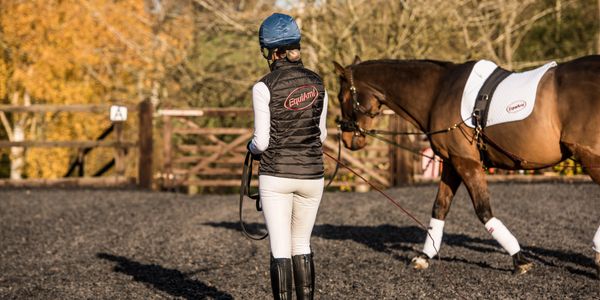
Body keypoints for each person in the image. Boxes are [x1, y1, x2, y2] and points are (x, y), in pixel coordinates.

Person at [248, 13, 328, 300]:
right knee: (302, 244)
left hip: (276, 176)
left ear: (275, 52)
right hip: (312, 176)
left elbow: (262, 142)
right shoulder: (318, 83)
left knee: (280, 247)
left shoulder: (263, 87)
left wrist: (250, 148)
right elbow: (321, 136)